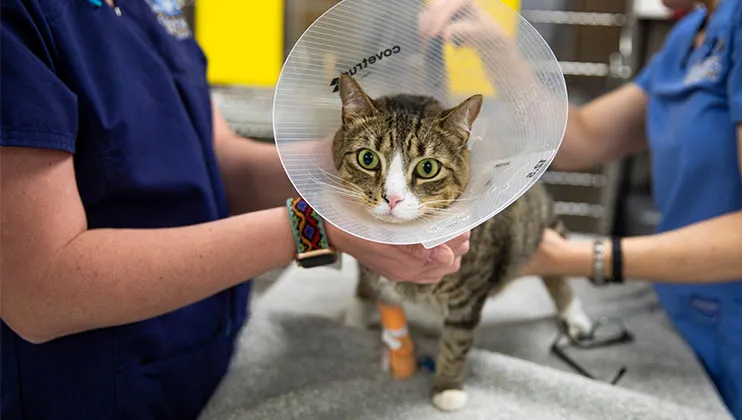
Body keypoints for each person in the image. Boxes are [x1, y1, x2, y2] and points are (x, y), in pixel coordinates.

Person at [0, 0, 471, 418]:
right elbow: (38, 291)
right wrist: (316, 227)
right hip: (92, 391)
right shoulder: (20, 20)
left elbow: (219, 159)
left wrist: (366, 166)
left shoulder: (151, 9)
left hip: (216, 358)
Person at [421, 0, 742, 419]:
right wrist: (493, 47)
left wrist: (578, 258)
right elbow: (581, 139)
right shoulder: (689, 36)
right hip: (681, 318)